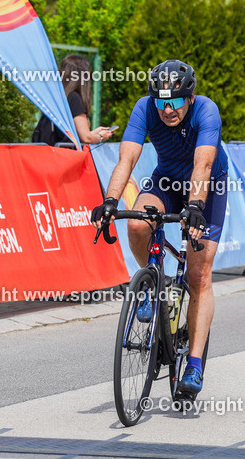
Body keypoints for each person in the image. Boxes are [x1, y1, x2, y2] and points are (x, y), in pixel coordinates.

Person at [91, 60, 227, 397]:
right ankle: (152, 283)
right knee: (138, 222)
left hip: (206, 188)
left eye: (175, 102)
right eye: (161, 102)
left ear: (190, 97)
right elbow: (127, 160)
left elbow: (204, 164)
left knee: (199, 277)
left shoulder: (207, 111)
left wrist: (195, 206)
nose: (167, 110)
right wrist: (109, 202)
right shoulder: (144, 108)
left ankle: (193, 366)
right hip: (166, 181)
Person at [31, 54, 113, 146]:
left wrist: (94, 133)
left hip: (47, 153)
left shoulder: (57, 97)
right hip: (63, 157)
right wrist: (101, 137)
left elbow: (71, 135)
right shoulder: (73, 98)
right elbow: (86, 138)